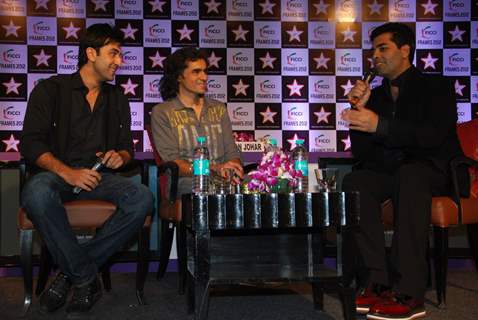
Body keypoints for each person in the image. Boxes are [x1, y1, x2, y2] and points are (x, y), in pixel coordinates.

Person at [20, 23, 153, 317]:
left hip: (100, 178)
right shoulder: (50, 90)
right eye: (114, 53)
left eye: (120, 54)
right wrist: (68, 173)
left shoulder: (117, 97)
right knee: (36, 191)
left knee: (142, 196)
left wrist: (119, 156)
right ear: (91, 53)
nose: (119, 61)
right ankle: (84, 277)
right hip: (57, 176)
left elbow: (125, 148)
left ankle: (71, 273)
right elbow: (29, 145)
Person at [341, 22, 464, 320]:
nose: (375, 55)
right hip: (393, 171)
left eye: (383, 48)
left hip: (435, 169)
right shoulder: (378, 97)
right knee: (355, 180)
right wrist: (359, 112)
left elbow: (432, 136)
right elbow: (363, 154)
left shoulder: (438, 86)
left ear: (405, 50)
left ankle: (410, 293)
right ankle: (377, 281)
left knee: (410, 174)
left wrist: (380, 125)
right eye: (373, 50)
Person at [151, 47, 243, 196]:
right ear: (179, 77)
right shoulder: (162, 112)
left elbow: (232, 153)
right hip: (187, 181)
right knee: (202, 188)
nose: (204, 77)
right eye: (196, 72)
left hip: (222, 179)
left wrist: (233, 167)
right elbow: (175, 164)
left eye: (205, 71)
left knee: (257, 184)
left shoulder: (219, 108)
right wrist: (215, 168)